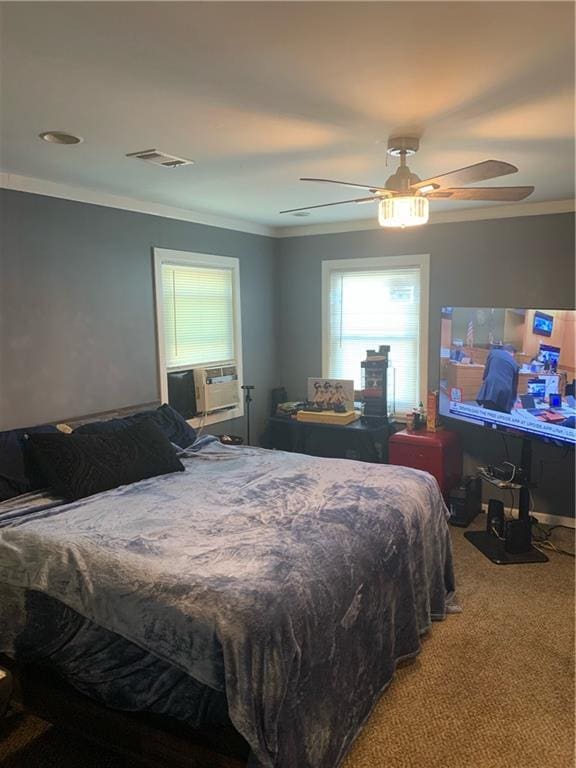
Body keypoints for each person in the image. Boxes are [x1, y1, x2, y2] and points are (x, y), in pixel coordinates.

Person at [476, 344, 520, 413]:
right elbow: (514, 385)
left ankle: (487, 423)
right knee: (501, 417)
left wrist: (485, 382)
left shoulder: (493, 353)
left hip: (490, 387)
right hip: (505, 393)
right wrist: (513, 401)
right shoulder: (515, 364)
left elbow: (486, 371)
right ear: (512, 353)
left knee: (487, 414)